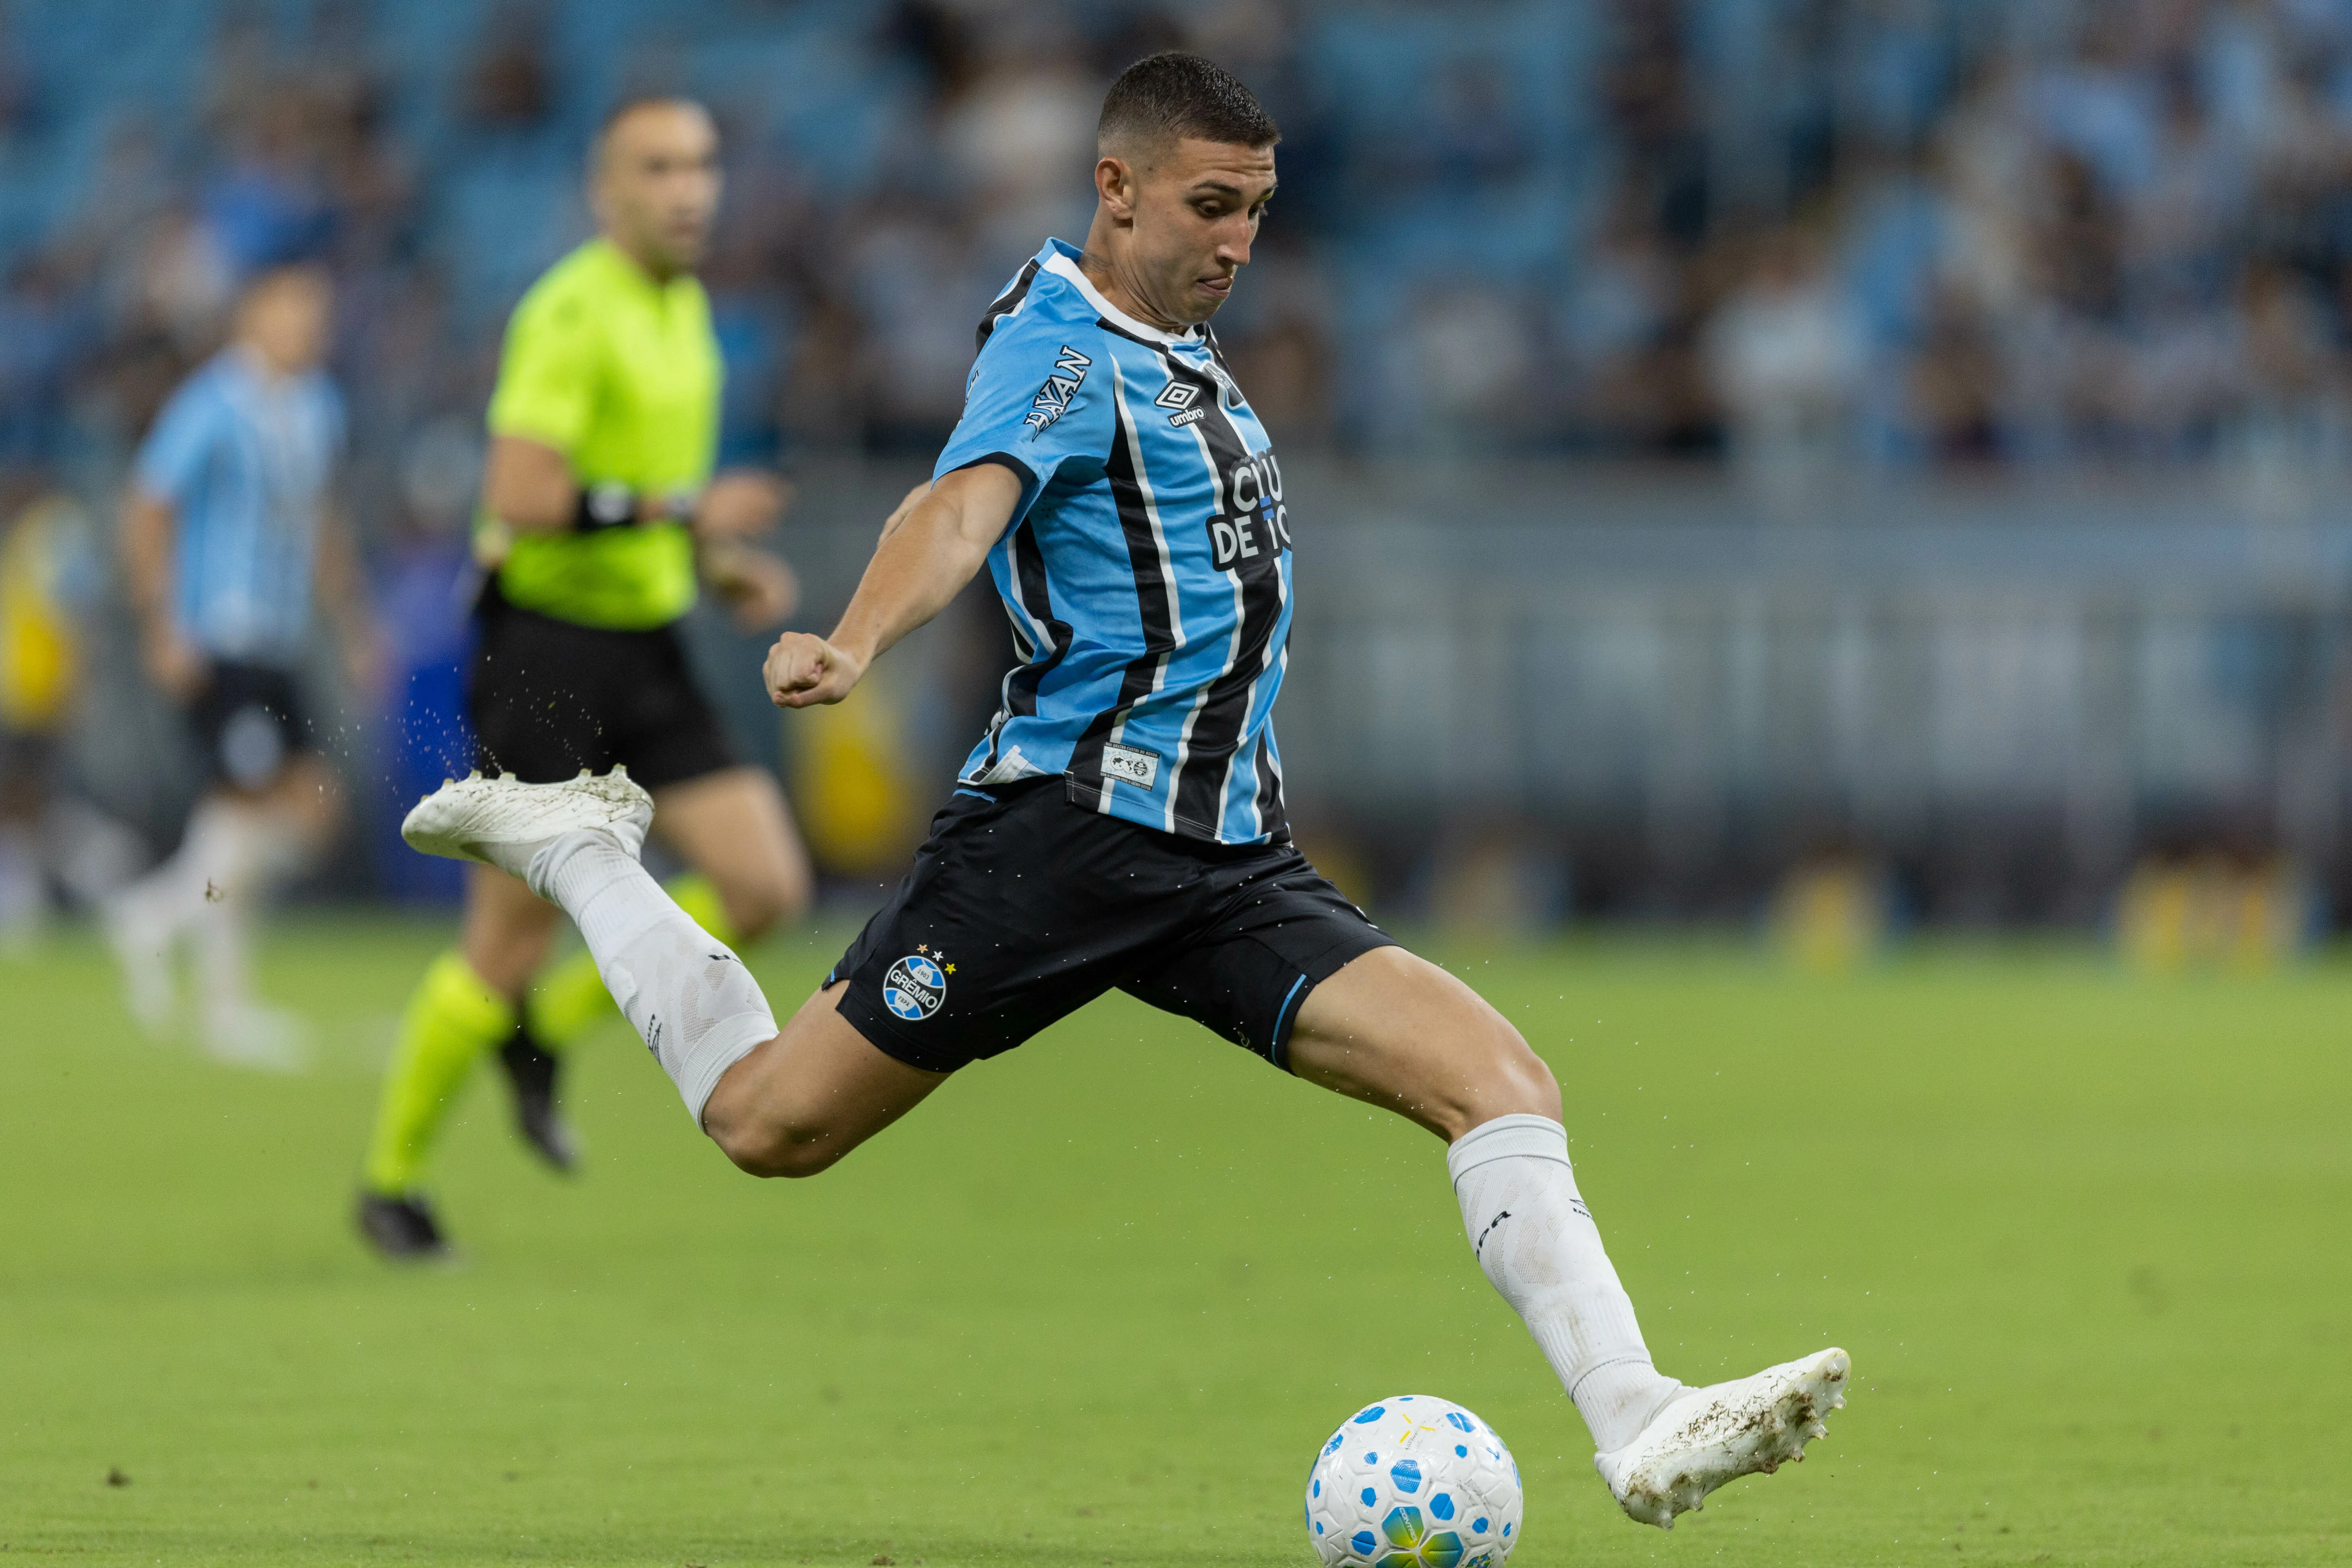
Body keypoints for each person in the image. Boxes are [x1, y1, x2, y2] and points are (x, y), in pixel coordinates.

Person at [396, 55, 1848, 1528]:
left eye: (1258, 212)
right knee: (772, 1122)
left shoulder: (1184, 350)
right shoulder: (1062, 342)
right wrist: (854, 635)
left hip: (1224, 859)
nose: (1235, 241)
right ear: (1116, 187)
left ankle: (1640, 1416)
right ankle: (582, 851)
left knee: (1499, 1077)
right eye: (1208, 205)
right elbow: (957, 507)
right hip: (1066, 835)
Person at [355, 98, 811, 1258]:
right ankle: (391, 1181)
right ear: (608, 193)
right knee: (504, 943)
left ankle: (545, 1036)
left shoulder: (691, 310)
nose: (688, 189)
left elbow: (656, 491)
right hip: (544, 655)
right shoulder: (570, 308)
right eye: (659, 168)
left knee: (764, 885)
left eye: (704, 164)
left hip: (649, 643)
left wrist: (721, 566)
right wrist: (685, 514)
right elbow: (518, 493)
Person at [106, 262, 376, 1068]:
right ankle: (202, 977)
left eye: (318, 311)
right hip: (219, 634)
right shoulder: (214, 401)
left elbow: (321, 519)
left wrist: (355, 623)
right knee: (261, 805)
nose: (310, 326)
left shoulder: (319, 406)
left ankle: (160, 928)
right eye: (295, 308)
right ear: (253, 314)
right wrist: (161, 624)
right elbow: (149, 502)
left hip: (281, 638)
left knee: (281, 816)